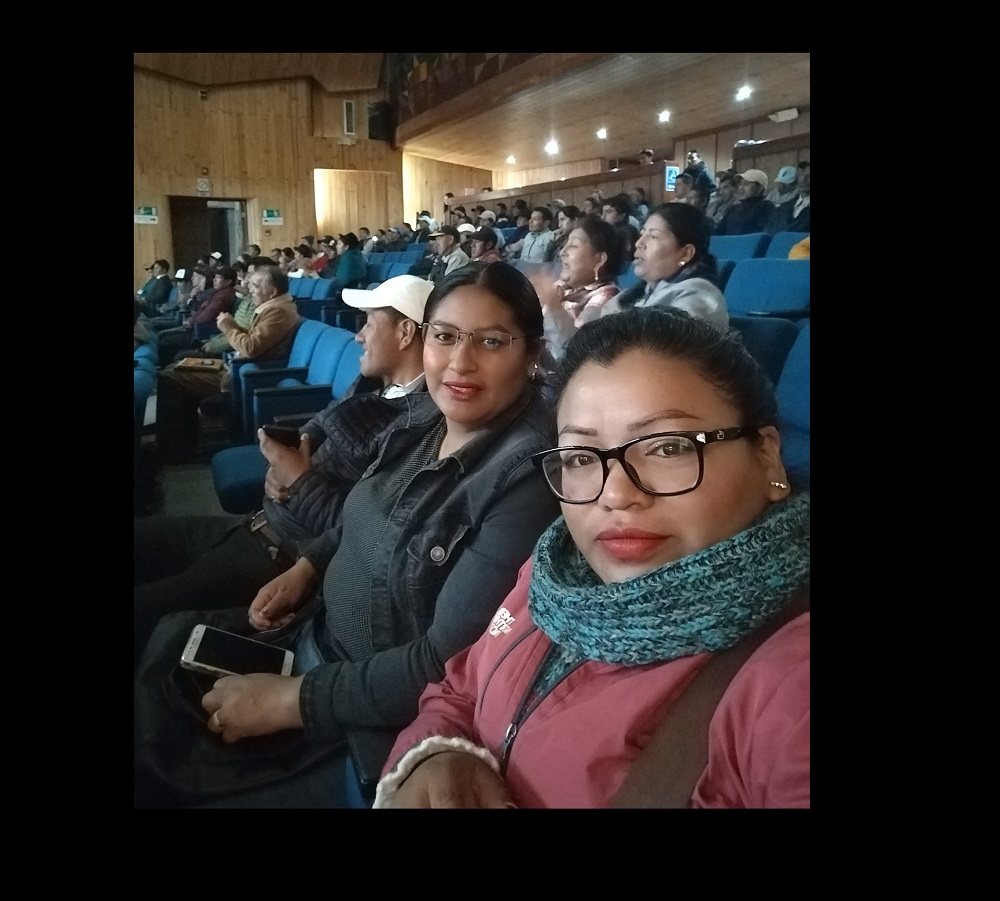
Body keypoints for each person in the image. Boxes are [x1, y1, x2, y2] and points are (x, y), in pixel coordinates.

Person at [134, 262, 561, 808]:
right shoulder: (426, 415)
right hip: (308, 637)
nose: (460, 361)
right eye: (445, 336)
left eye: (491, 341)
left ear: (531, 353)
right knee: (164, 651)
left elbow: (444, 665)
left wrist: (293, 701)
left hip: (353, 717)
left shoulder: (525, 481)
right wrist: (308, 566)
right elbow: (363, 512)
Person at [375, 306, 810, 809]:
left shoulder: (790, 687)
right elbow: (460, 690)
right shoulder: (555, 574)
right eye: (581, 457)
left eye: (667, 448)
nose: (615, 494)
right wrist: (435, 755)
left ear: (766, 456)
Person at [134, 273, 436, 661]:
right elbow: (321, 422)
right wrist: (287, 458)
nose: (358, 336)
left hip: (280, 556)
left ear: (406, 332)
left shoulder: (417, 427)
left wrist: (298, 478)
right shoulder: (372, 384)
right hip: (253, 523)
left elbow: (362, 533)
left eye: (369, 324)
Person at [153, 265, 301, 464]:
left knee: (169, 378)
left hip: (245, 376)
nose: (250, 290)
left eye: (256, 286)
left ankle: (173, 451)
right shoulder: (274, 307)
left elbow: (250, 347)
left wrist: (228, 326)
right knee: (175, 368)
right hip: (237, 367)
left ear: (272, 292)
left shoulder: (278, 311)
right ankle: (185, 442)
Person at [599, 202, 728, 328]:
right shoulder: (635, 294)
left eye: (653, 236)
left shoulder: (698, 300)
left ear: (685, 254)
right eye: (642, 234)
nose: (638, 243)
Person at [531, 214, 626, 365]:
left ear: (599, 259)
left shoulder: (607, 299)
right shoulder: (562, 288)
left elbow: (577, 355)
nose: (562, 252)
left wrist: (555, 307)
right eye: (565, 245)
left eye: (574, 246)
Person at [156, 266, 238, 367]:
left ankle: (165, 369)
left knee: (164, 340)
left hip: (201, 332)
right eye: (214, 277)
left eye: (218, 278)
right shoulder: (218, 293)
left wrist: (191, 321)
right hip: (197, 327)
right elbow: (202, 311)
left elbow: (207, 315)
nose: (214, 280)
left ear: (228, 281)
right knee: (162, 336)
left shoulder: (223, 296)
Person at [714, 169, 777, 236]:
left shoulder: (765, 207)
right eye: (741, 183)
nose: (741, 188)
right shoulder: (733, 209)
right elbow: (718, 232)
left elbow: (762, 235)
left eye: (746, 184)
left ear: (760, 188)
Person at [602, 195, 641, 261]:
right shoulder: (604, 231)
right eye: (602, 212)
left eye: (609, 212)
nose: (602, 217)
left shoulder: (629, 232)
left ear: (621, 215)